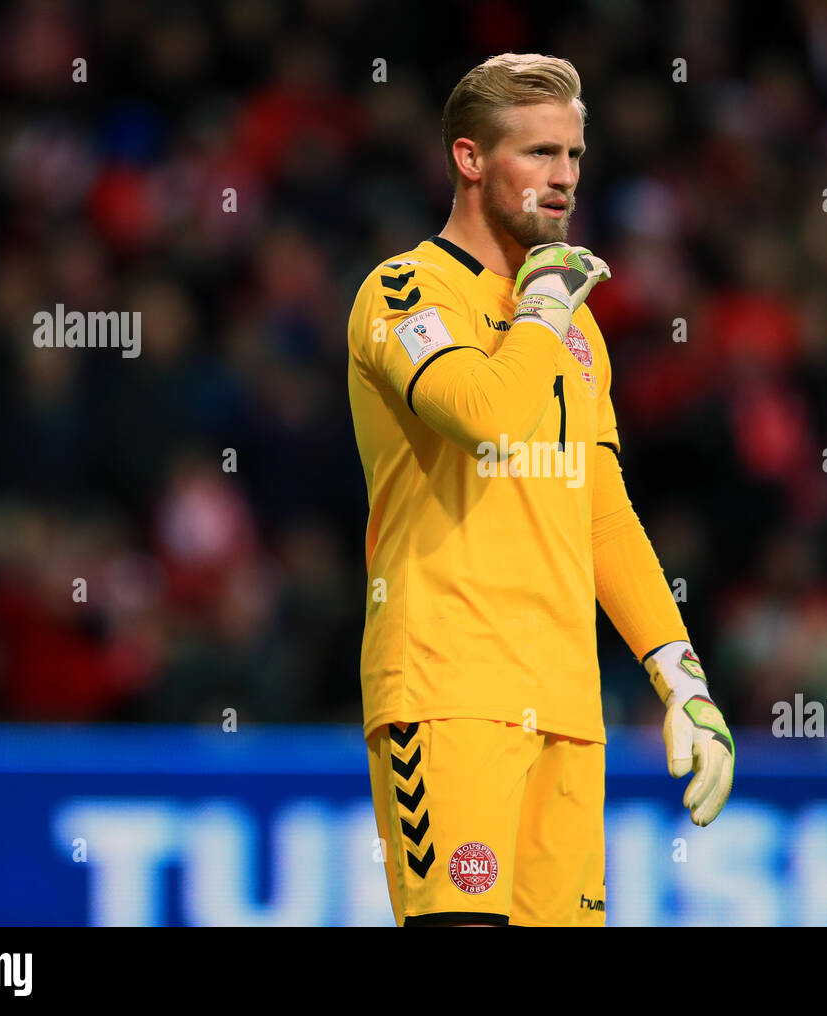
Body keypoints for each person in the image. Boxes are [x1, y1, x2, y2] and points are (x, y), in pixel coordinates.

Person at [345, 53, 734, 927]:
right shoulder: (407, 291)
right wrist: (544, 312)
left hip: (566, 704)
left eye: (573, 155)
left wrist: (682, 677)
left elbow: (600, 510)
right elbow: (482, 413)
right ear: (470, 159)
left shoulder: (572, 322)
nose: (562, 180)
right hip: (448, 689)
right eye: (537, 154)